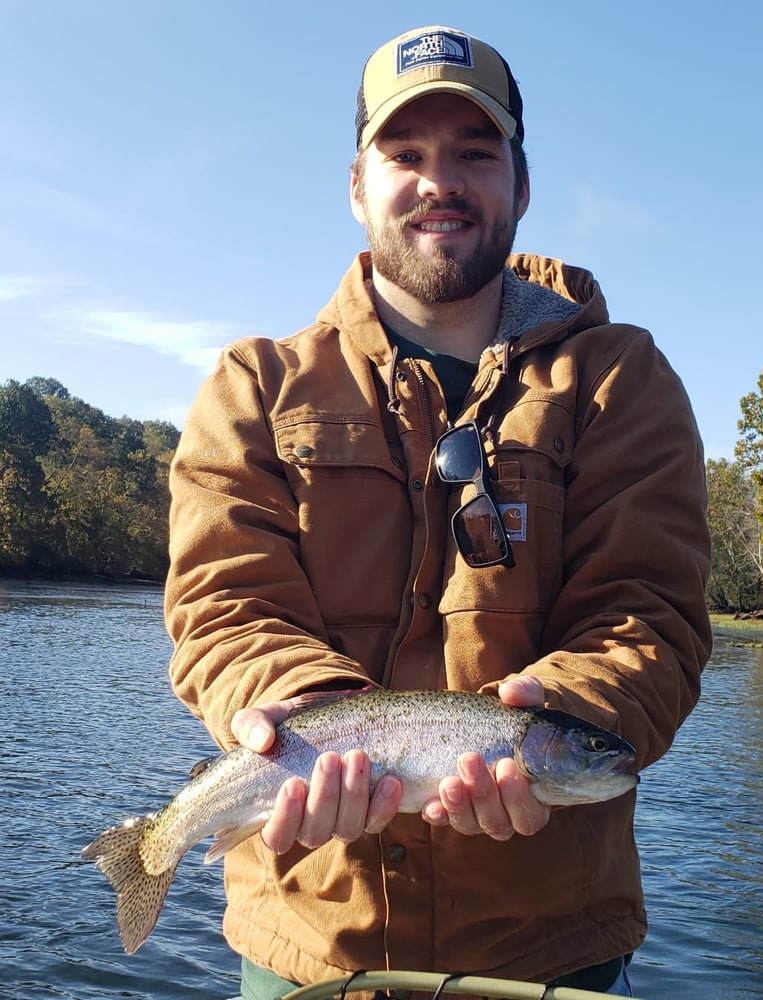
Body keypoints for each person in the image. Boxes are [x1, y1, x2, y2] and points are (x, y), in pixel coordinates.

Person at [165, 24, 711, 999]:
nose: (437, 181)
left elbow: (648, 617)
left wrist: (565, 716)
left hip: (553, 951)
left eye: (472, 152)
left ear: (520, 183)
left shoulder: (619, 382)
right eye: (404, 154)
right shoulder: (250, 386)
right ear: (355, 185)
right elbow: (222, 611)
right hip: (304, 945)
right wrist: (310, 712)